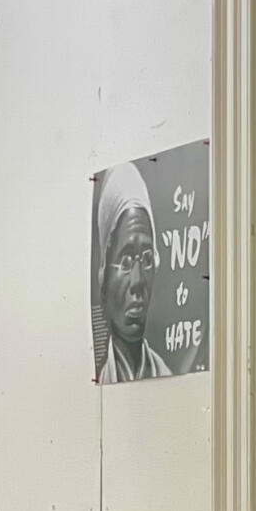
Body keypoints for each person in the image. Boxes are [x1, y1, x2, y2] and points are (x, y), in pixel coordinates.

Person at [90, 160, 171, 382]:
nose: (137, 282)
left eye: (146, 258)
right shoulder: (97, 376)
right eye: (125, 261)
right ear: (104, 276)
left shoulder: (165, 374)